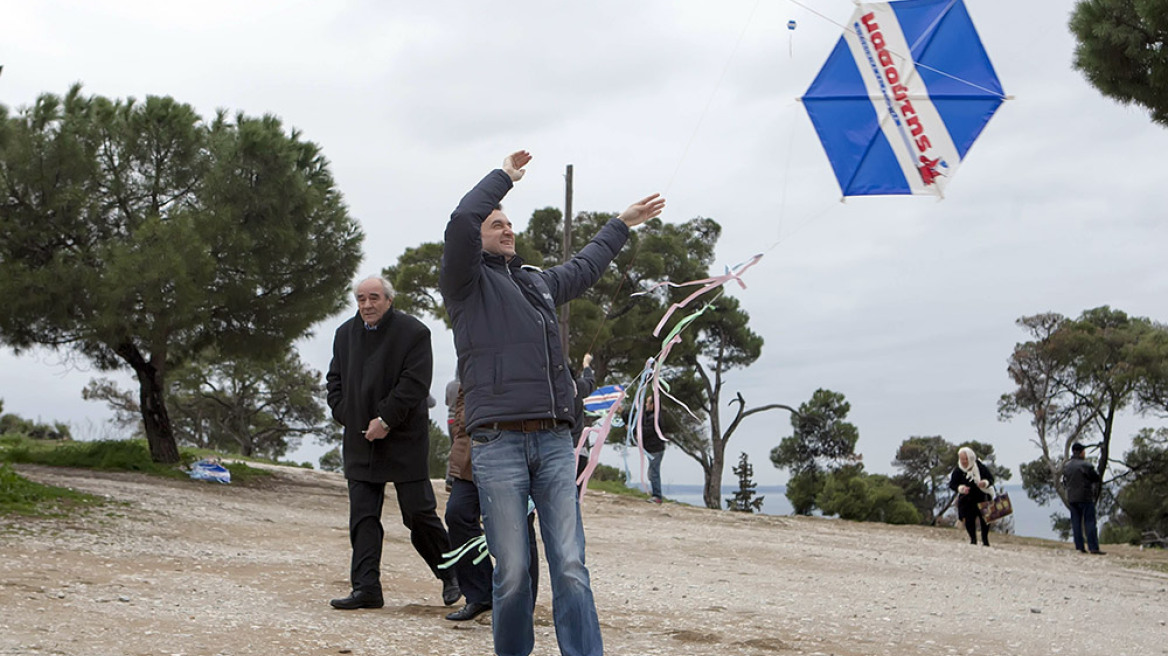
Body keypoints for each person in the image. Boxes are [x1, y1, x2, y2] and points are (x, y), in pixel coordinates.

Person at [439, 150, 665, 656]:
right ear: (475, 239)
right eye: (496, 223)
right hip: (498, 445)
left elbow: (584, 268)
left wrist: (620, 225)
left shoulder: (536, 282)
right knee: (514, 572)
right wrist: (503, 179)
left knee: (570, 566)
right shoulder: (465, 285)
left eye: (510, 223)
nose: (507, 228)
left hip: (555, 442)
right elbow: (461, 218)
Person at [325, 276, 460, 610]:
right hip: (359, 439)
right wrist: (348, 414)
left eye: (374, 298)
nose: (367, 305)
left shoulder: (414, 332)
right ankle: (367, 588)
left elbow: (414, 384)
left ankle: (452, 575)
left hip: (404, 438)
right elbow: (334, 382)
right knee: (363, 516)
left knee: (418, 514)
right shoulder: (344, 334)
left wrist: (385, 420)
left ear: (388, 299)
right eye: (360, 299)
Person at [443, 388, 540, 621]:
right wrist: (460, 432)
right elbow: (462, 398)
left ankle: (521, 604)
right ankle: (480, 595)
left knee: (518, 525)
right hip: (471, 453)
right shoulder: (475, 355)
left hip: (514, 451)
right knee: (457, 513)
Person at [948, 446, 995, 546]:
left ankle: (985, 540)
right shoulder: (958, 470)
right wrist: (961, 488)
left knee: (985, 521)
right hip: (967, 500)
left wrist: (984, 483)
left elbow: (991, 479)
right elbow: (952, 484)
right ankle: (973, 540)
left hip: (982, 497)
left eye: (965, 459)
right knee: (969, 520)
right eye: (961, 459)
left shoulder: (980, 466)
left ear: (970, 458)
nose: (964, 461)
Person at [1063, 442, 1105, 555]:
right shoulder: (1086, 466)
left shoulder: (1067, 466)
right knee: (1089, 522)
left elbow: (1065, 482)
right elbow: (1095, 478)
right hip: (1085, 497)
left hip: (1072, 498)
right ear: (1081, 452)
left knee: (1076, 523)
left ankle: (1079, 547)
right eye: (1084, 451)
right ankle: (1093, 547)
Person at [572, 353, 597, 488]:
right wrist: (586, 364)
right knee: (576, 494)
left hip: (555, 453)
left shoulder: (548, 390)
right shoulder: (577, 386)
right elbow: (590, 381)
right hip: (578, 450)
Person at [638, 395, 667, 504]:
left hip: (655, 449)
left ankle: (657, 496)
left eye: (648, 403)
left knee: (654, 473)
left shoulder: (655, 418)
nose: (646, 404)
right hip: (652, 449)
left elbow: (647, 431)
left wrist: (638, 432)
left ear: (653, 405)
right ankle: (656, 494)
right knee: (652, 473)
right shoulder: (650, 416)